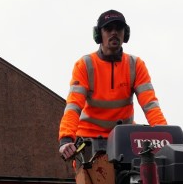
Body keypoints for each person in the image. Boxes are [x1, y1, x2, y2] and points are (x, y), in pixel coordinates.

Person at [58, 10, 167, 160]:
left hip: (123, 138)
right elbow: (73, 106)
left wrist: (165, 135)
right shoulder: (85, 65)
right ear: (98, 35)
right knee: (97, 181)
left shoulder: (136, 65)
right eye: (108, 29)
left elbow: (151, 106)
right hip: (89, 141)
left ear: (125, 34)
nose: (114, 33)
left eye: (119, 29)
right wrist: (66, 139)